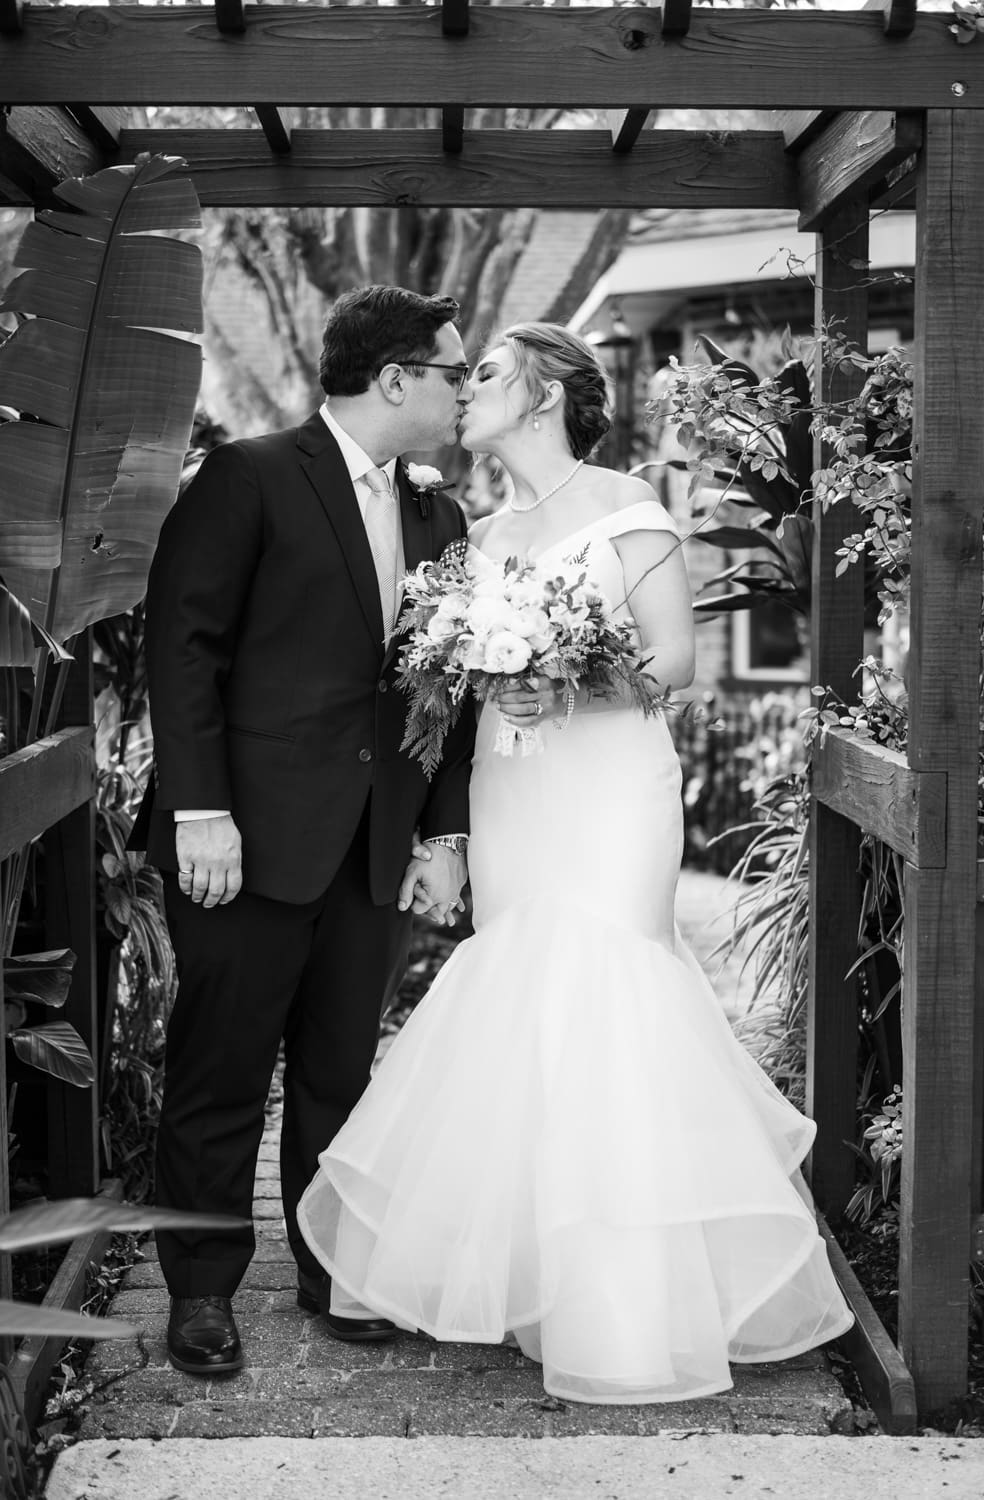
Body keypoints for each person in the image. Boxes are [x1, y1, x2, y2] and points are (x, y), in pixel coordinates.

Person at [297, 322, 854, 1404]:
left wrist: (566, 687)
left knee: (607, 996)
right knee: (524, 1005)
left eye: (488, 375)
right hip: (514, 792)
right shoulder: (477, 535)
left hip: (607, 793)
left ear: (547, 394)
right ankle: (536, 1285)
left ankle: (624, 1311)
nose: (467, 394)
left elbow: (677, 665)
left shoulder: (626, 507)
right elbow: (441, 701)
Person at [132, 285, 477, 1375]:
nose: (464, 390)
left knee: (339, 1077)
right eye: (452, 372)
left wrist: (442, 834)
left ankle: (333, 1272)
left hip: (371, 843)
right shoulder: (248, 475)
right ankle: (199, 1293)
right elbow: (181, 648)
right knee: (221, 1072)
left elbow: (447, 690)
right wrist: (201, 811)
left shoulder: (441, 515)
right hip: (243, 840)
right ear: (394, 380)